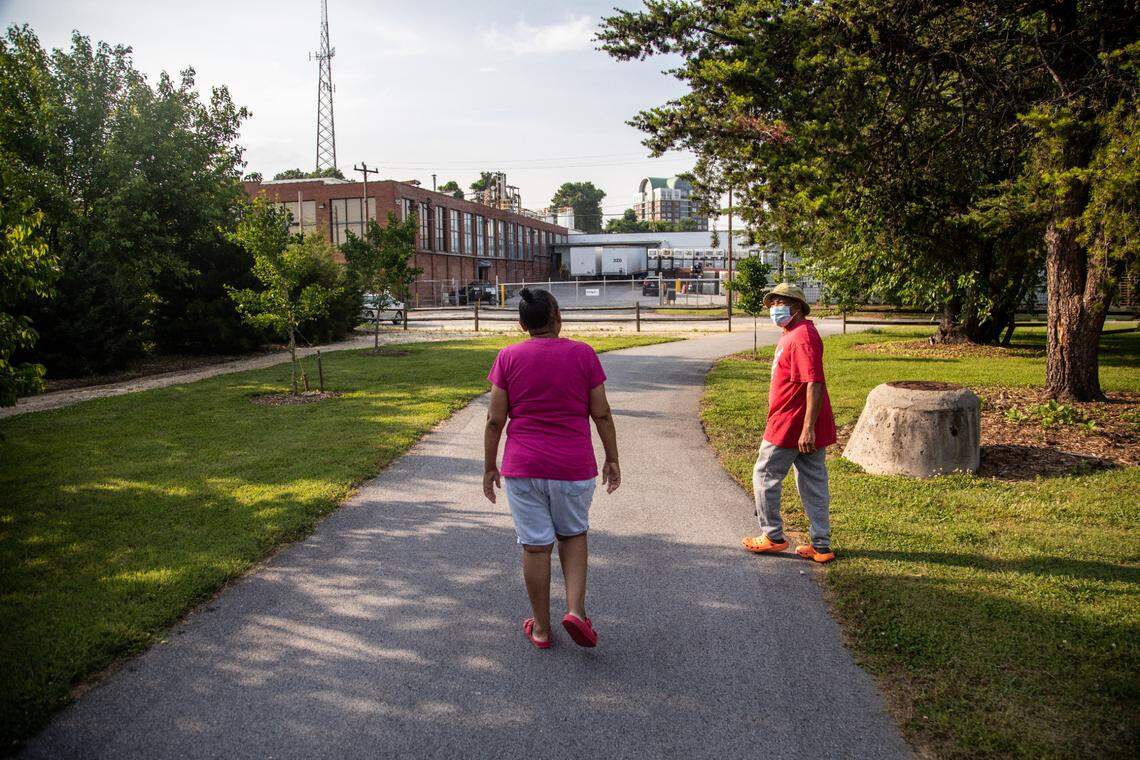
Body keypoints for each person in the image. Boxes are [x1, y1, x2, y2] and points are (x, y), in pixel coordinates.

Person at [483, 288, 621, 649]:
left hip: (523, 468)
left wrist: (488, 466)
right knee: (573, 535)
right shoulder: (584, 354)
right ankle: (575, 611)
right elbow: (602, 413)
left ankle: (542, 629)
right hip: (572, 467)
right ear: (557, 316)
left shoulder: (508, 357)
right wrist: (612, 458)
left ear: (521, 324)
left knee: (535, 547)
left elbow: (495, 420)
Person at [742, 283, 838, 563]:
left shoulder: (803, 337)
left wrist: (807, 427)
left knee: (764, 476)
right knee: (812, 483)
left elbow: (814, 383)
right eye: (771, 303)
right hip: (796, 421)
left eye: (780, 302)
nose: (774, 308)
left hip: (792, 423)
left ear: (796, 307)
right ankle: (821, 546)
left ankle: (772, 536)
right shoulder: (794, 334)